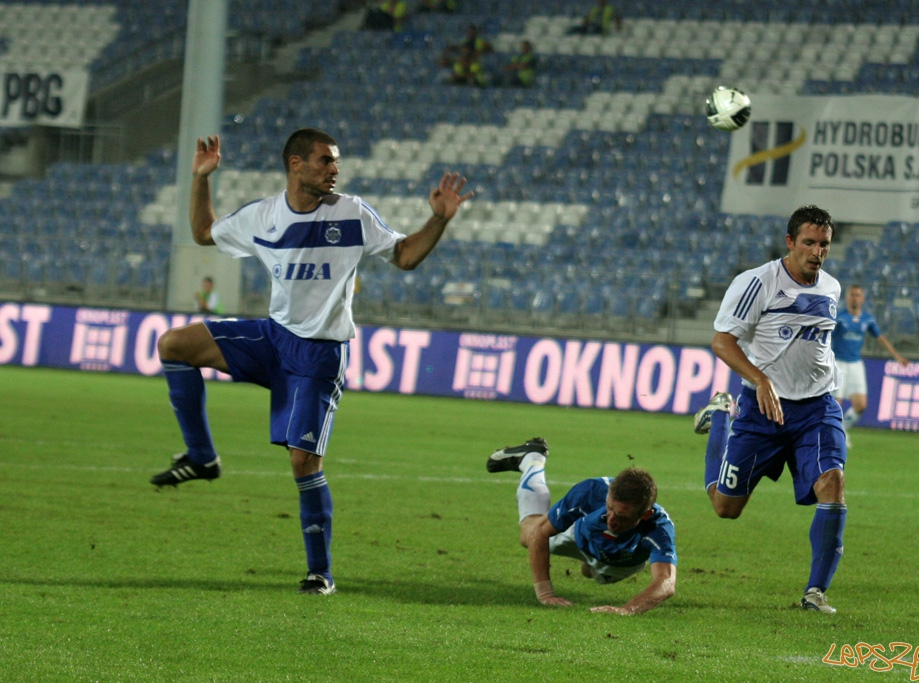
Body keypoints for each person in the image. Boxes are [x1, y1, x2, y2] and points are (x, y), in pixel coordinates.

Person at [149, 129, 472, 596]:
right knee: (174, 343)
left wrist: (437, 220)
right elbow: (203, 233)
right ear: (295, 164)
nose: (334, 169)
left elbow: (404, 257)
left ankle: (320, 572)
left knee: (303, 461)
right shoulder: (263, 216)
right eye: (325, 161)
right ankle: (202, 458)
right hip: (273, 338)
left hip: (319, 353)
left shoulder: (352, 213)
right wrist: (201, 179)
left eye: (336, 162)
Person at [701, 205, 846, 614]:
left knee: (832, 482)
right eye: (809, 243)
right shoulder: (757, 282)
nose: (817, 252)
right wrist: (762, 380)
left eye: (824, 244)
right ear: (790, 242)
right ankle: (718, 419)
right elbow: (722, 342)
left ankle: (815, 592)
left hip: (816, 409)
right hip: (762, 410)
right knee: (726, 508)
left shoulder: (830, 289)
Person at [487, 437, 677, 615]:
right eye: (609, 508)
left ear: (645, 515)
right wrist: (546, 594)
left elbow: (666, 581)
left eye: (621, 516)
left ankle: (590, 564)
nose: (611, 519)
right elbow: (539, 533)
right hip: (579, 536)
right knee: (528, 535)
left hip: (621, 561)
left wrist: (627, 610)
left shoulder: (659, 528)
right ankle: (532, 459)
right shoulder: (590, 492)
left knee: (591, 574)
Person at [832, 284, 909, 448]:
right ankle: (835, 436)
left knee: (861, 405)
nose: (855, 298)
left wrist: (897, 356)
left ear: (863, 298)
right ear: (847, 298)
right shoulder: (839, 317)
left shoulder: (868, 319)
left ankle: (843, 430)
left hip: (856, 364)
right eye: (852, 295)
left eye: (858, 295)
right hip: (838, 363)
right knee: (835, 406)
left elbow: (880, 338)